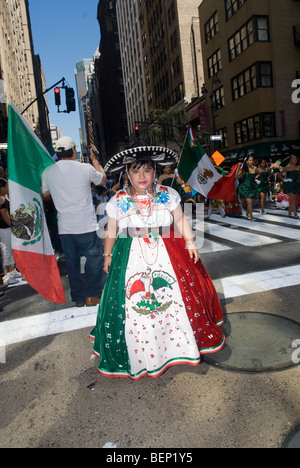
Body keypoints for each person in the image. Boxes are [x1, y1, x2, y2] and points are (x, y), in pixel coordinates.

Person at [90, 145, 225, 380]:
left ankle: (178, 347)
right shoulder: (118, 199)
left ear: (155, 171)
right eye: (136, 171)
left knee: (177, 298)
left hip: (169, 249)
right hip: (130, 253)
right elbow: (111, 230)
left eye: (147, 170)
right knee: (135, 303)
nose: (142, 177)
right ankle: (145, 353)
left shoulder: (168, 193)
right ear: (126, 174)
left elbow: (180, 219)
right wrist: (108, 256)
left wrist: (191, 242)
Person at [41, 137, 107, 307]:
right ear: (73, 151)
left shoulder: (47, 172)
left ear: (58, 153)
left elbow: (45, 195)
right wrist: (94, 160)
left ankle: (78, 298)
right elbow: (102, 180)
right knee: (95, 259)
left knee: (72, 264)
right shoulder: (84, 168)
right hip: (85, 224)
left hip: (64, 227)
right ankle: (91, 295)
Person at [0, 178, 22, 285]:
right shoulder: (1, 199)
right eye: (6, 186)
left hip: (8, 228)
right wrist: (14, 227)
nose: (8, 188)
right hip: (4, 229)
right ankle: (7, 275)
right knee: (7, 251)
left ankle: (13, 271)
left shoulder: (5, 197)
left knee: (11, 250)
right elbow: (5, 216)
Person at [236, 156, 259, 221]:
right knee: (249, 202)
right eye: (250, 160)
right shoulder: (244, 170)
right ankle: (251, 216)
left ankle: (247, 213)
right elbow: (237, 176)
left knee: (250, 202)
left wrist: (255, 178)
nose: (252, 162)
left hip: (252, 187)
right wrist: (238, 167)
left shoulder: (255, 168)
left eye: (252, 160)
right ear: (247, 161)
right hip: (245, 187)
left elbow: (258, 174)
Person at [278, 154, 300, 219]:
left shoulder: (298, 168)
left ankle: (289, 213)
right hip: (289, 185)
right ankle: (295, 214)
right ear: (290, 160)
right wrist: (284, 179)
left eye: (296, 158)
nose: (295, 160)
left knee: (293, 199)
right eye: (293, 158)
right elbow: (279, 175)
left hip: (296, 185)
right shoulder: (287, 167)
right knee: (292, 199)